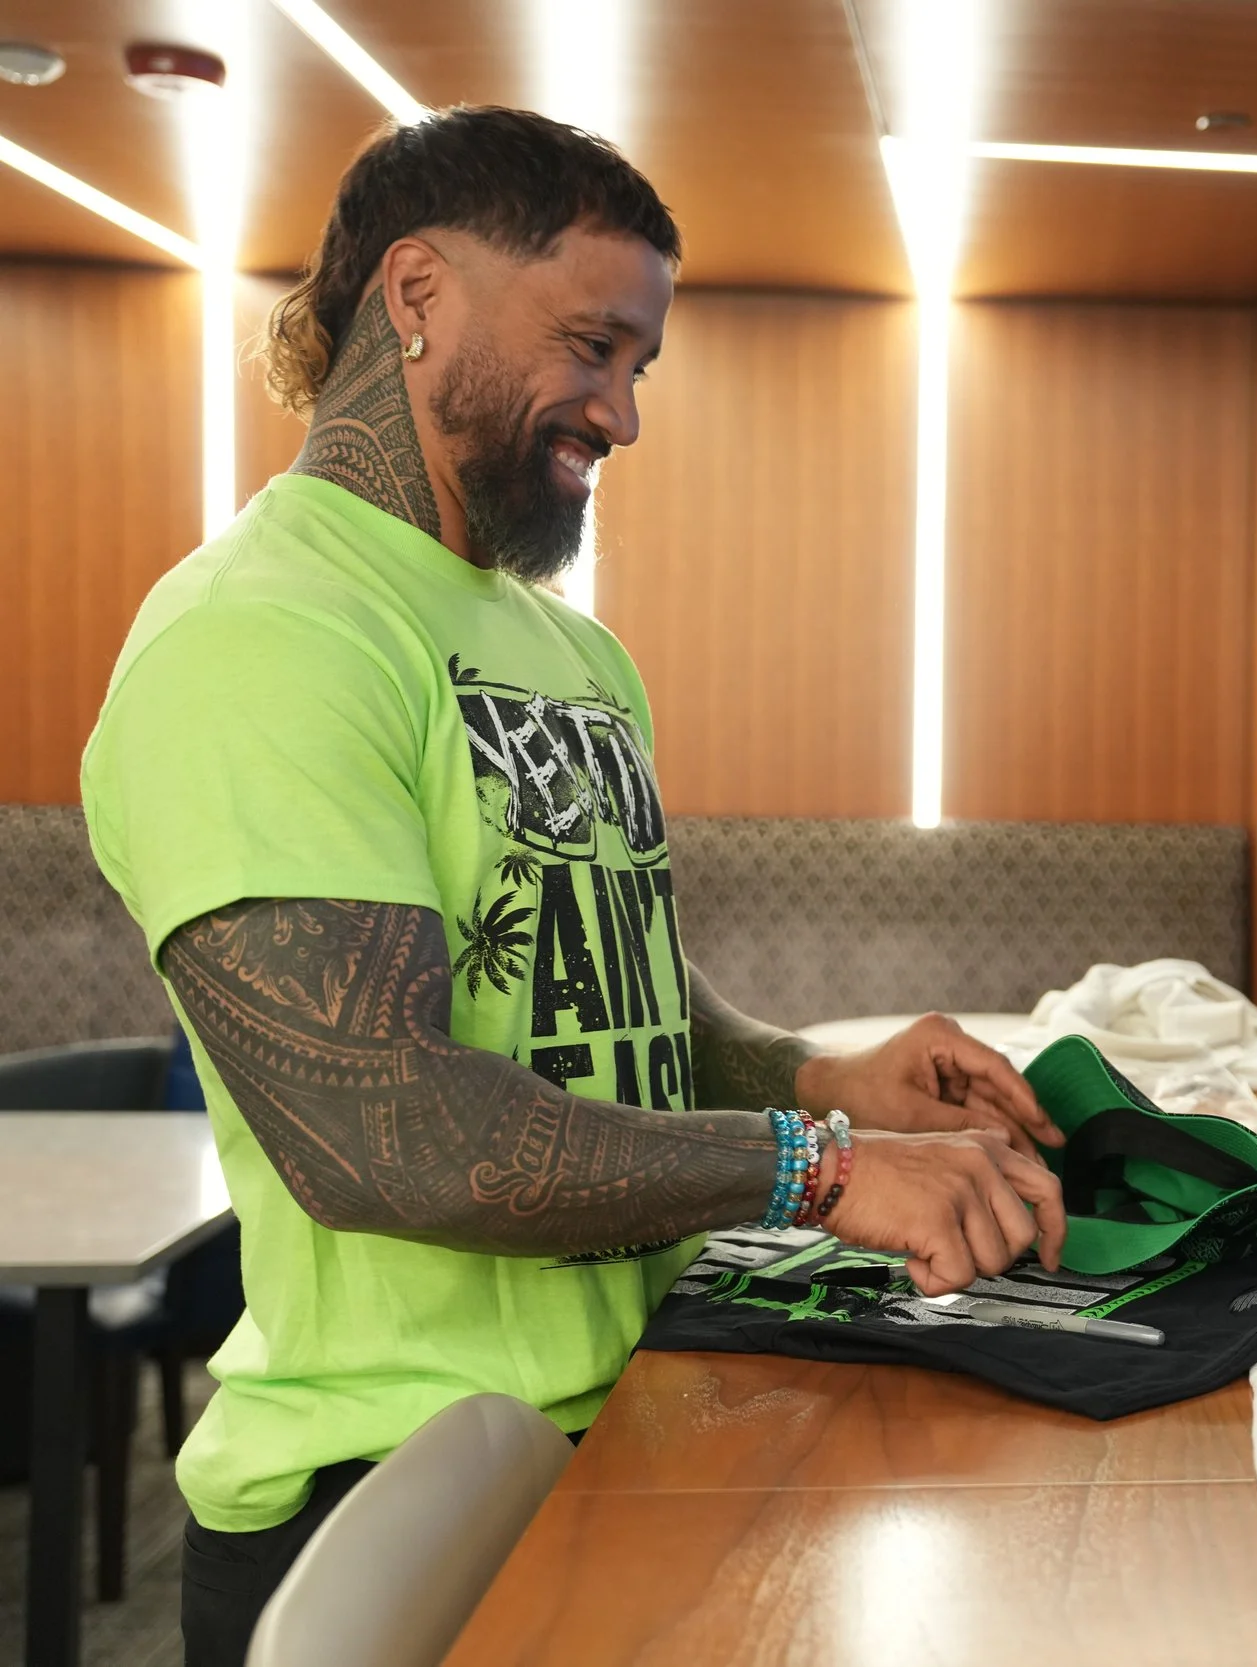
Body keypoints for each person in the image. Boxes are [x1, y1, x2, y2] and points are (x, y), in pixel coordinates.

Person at [79, 110, 1069, 1665]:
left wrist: (826, 1073)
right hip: (389, 1493)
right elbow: (383, 1131)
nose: (621, 414)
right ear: (415, 295)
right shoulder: (265, 633)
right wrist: (816, 1163)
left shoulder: (572, 648)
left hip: (630, 1424)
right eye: (593, 346)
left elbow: (615, 997)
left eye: (640, 367)